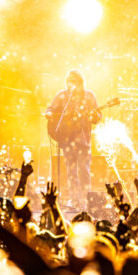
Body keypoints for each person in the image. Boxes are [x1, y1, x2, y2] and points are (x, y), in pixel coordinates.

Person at [45, 69, 101, 207]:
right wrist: (49, 113)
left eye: (73, 81)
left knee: (84, 170)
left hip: (83, 140)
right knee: (71, 171)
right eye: (68, 81)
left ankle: (86, 200)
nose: (70, 84)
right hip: (67, 139)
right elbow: (50, 108)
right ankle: (75, 200)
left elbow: (98, 117)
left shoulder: (89, 97)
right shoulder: (62, 96)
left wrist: (92, 115)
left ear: (80, 83)